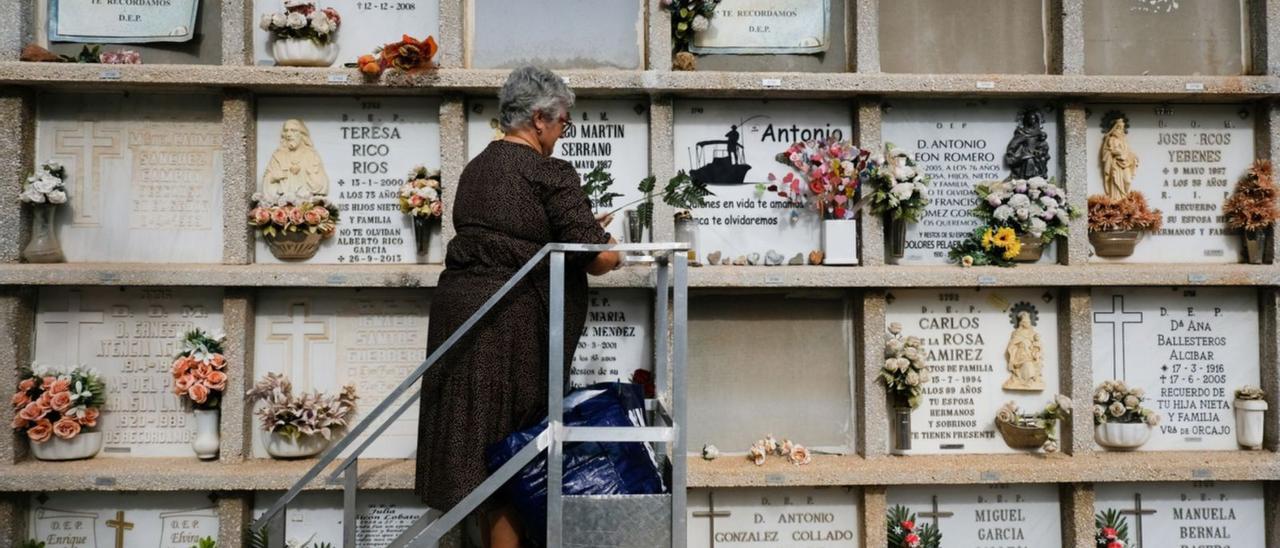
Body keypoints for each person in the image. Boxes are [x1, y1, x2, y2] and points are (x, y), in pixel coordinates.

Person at [415, 65, 621, 548]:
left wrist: (580, 228)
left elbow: (513, 234)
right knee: (515, 458)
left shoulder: (477, 169)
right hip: (516, 334)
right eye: (563, 124)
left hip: (462, 324)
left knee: (482, 454)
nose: (563, 135)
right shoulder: (547, 172)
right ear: (538, 119)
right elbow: (600, 260)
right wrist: (610, 239)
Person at [262, 119, 329, 198]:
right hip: (282, 204)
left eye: (293, 130)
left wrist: (308, 174)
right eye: (286, 131)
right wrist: (274, 176)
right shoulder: (278, 156)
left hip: (306, 204)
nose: (289, 134)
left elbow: (321, 185)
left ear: (302, 134)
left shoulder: (311, 155)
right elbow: (266, 181)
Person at [1100, 115, 1139, 200]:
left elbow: (1127, 151)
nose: (1121, 130)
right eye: (1119, 127)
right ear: (1114, 128)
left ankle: (1125, 199)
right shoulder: (1111, 139)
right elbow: (1108, 151)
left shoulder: (1124, 140)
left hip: (1125, 163)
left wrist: (1133, 156)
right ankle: (1117, 199)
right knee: (1116, 181)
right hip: (1115, 164)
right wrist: (1118, 153)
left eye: (1122, 128)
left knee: (1127, 181)